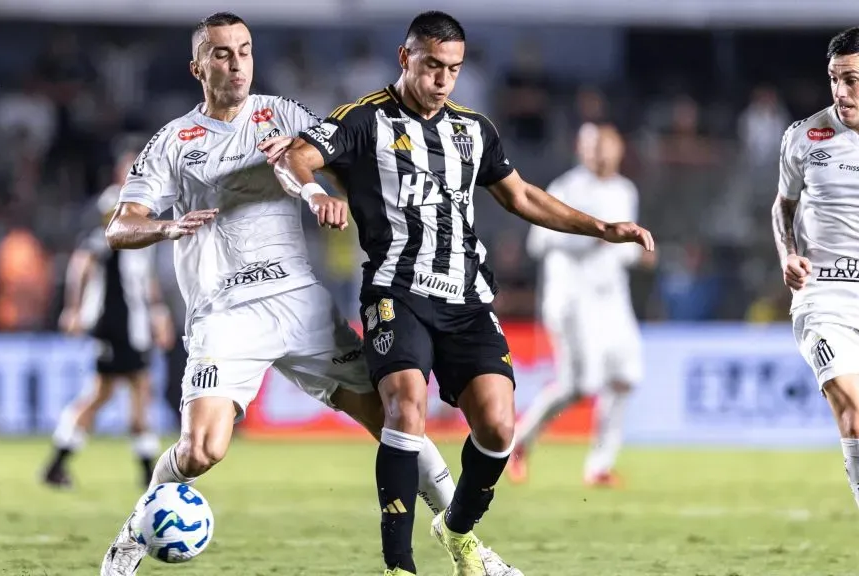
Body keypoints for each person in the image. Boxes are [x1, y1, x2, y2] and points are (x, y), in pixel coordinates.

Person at [99, 13, 515, 576]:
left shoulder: (283, 114)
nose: (237, 63)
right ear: (198, 67)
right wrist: (167, 226)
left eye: (245, 50)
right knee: (201, 451)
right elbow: (119, 226)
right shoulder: (174, 141)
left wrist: (318, 182)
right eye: (222, 53)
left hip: (301, 303)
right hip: (226, 313)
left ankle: (467, 547)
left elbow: (347, 161)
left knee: (399, 420)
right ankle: (135, 531)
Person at [275, 11, 654, 576]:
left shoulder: (474, 130)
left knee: (498, 427)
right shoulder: (363, 119)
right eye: (432, 65)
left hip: (467, 298)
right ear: (405, 58)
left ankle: (456, 532)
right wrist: (314, 194)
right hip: (396, 290)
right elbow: (296, 156)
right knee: (405, 405)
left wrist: (600, 227)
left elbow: (521, 196)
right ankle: (398, 566)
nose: (442, 79)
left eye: (453, 68)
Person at [508, 123, 655, 487]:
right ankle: (518, 443)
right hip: (573, 299)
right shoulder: (566, 188)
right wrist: (590, 236)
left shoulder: (624, 190)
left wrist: (637, 254)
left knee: (624, 377)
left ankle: (599, 465)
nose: (599, 154)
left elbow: (620, 251)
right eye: (592, 147)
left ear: (619, 150)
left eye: (606, 146)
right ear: (582, 150)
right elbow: (537, 243)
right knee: (577, 385)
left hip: (612, 298)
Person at [42, 146, 175, 490]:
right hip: (115, 319)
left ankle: (59, 464)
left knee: (114, 392)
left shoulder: (143, 207)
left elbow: (144, 273)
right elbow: (85, 258)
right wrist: (73, 307)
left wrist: (158, 313)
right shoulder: (115, 203)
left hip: (133, 322)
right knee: (128, 390)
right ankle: (147, 473)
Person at [775, 26, 859, 510]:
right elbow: (783, 206)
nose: (840, 92)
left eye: (851, 80)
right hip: (824, 296)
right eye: (834, 79)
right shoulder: (805, 136)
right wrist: (788, 253)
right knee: (853, 411)